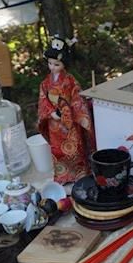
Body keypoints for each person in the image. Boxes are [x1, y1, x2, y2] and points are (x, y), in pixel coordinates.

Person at [37, 35, 95, 185]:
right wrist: (51, 112)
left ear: (64, 64)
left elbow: (77, 98)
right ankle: (62, 175)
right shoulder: (45, 83)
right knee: (57, 150)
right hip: (54, 123)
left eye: (56, 64)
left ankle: (80, 173)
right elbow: (43, 99)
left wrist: (68, 112)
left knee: (76, 148)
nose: (52, 67)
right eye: (50, 63)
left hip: (70, 122)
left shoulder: (70, 81)